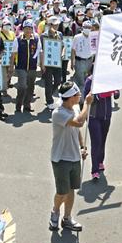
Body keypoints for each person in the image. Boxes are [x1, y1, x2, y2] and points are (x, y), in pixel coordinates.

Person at [49, 81, 93, 232]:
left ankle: (67, 218)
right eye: (77, 95)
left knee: (71, 190)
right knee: (62, 191)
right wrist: (87, 104)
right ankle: (55, 211)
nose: (79, 96)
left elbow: (77, 131)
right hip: (61, 159)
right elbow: (79, 123)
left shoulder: (75, 107)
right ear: (69, 97)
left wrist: (82, 147)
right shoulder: (58, 113)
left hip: (74, 157)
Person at [84, 70, 119, 180]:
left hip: (106, 115)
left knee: (103, 140)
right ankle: (94, 170)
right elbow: (87, 98)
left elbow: (117, 95)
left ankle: (100, 161)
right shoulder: (90, 81)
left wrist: (116, 91)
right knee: (96, 142)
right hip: (93, 116)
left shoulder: (110, 80)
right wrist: (104, 94)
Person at [13, 20, 41, 113]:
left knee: (30, 86)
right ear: (23, 29)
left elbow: (39, 50)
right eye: (26, 28)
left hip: (32, 66)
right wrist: (10, 66)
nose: (28, 30)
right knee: (22, 86)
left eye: (30, 28)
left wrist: (39, 62)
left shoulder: (36, 38)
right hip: (21, 66)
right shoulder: (18, 39)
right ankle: (18, 104)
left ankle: (27, 105)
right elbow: (13, 53)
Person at [40, 16, 64, 110]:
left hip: (57, 62)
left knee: (58, 80)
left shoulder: (60, 34)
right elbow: (41, 50)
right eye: (54, 25)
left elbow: (63, 46)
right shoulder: (43, 36)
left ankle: (50, 94)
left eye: (57, 24)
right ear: (49, 25)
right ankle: (49, 100)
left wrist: (62, 53)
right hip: (47, 63)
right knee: (48, 83)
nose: (56, 26)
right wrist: (42, 64)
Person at [71, 21, 93, 94]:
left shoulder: (93, 37)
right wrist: (72, 61)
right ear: (82, 28)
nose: (87, 29)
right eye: (86, 27)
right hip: (79, 61)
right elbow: (73, 50)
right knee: (81, 81)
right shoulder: (77, 37)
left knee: (87, 79)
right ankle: (81, 99)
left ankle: (84, 95)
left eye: (89, 27)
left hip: (89, 61)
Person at [0, 19, 16, 95]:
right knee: (3, 73)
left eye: (8, 25)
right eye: (5, 25)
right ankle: (4, 89)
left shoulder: (12, 33)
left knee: (10, 71)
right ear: (2, 27)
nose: (7, 27)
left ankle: (7, 83)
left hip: (11, 55)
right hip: (3, 56)